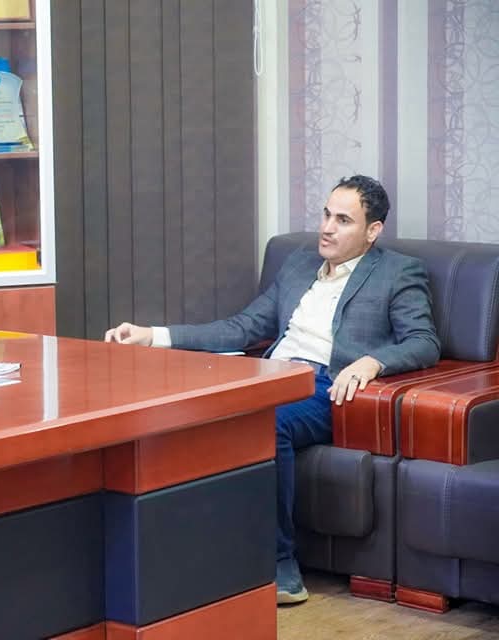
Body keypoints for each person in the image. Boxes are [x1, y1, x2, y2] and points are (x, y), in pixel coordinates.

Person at [104, 175, 440, 605]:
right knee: (181, 410)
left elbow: (423, 341)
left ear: (372, 230)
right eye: (326, 215)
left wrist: (372, 361)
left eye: (343, 220)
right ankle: (182, 553)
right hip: (267, 374)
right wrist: (153, 335)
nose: (327, 228)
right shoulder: (300, 264)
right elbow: (243, 327)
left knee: (264, 421)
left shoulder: (398, 272)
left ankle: (279, 564)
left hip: (324, 386)